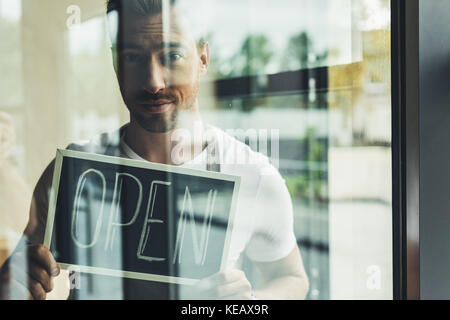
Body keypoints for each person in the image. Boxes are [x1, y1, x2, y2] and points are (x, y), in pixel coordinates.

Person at [0, 0, 309, 300]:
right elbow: (28, 279)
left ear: (203, 58)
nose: (153, 81)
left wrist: (248, 302)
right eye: (133, 57)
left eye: (171, 55)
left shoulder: (252, 174)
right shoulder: (71, 172)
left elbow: (291, 278)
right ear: (115, 62)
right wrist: (13, 282)